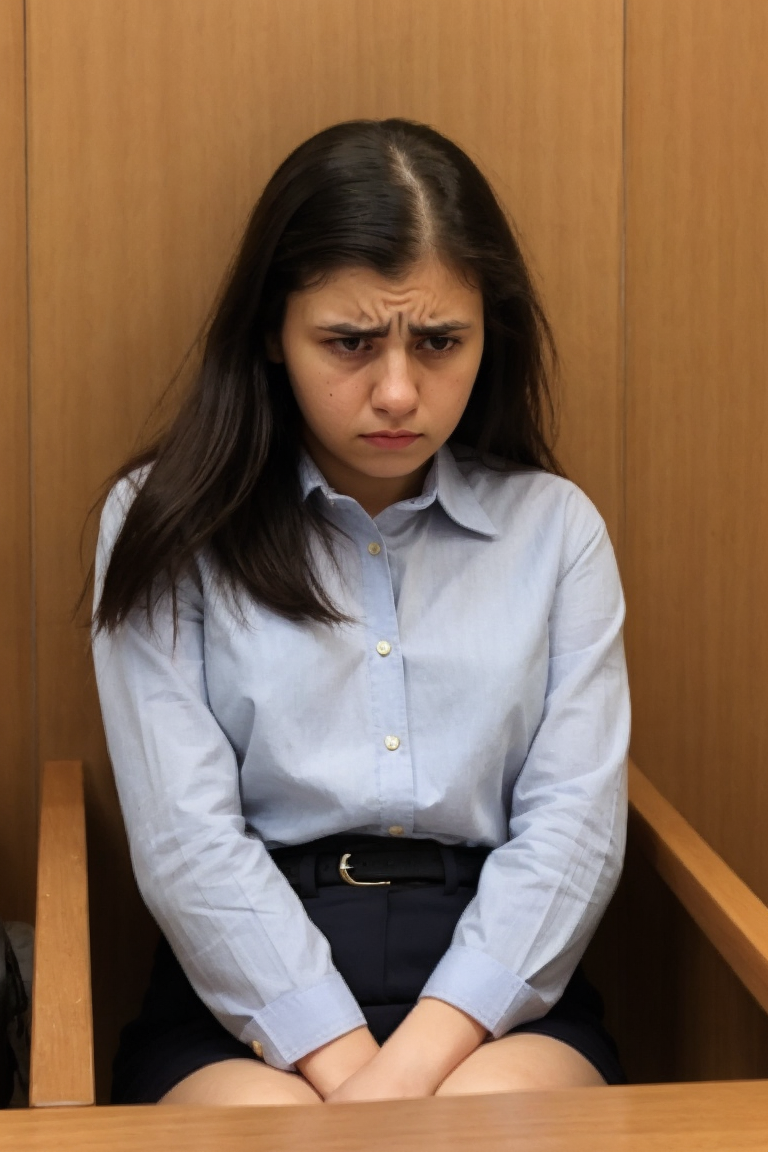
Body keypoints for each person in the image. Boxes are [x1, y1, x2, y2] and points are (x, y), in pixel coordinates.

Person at [91, 118, 630, 1107]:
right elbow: (185, 840)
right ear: (271, 332)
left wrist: (406, 1076)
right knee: (275, 1134)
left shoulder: (556, 531)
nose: (397, 391)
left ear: (487, 333)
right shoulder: (163, 523)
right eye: (348, 342)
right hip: (242, 995)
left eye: (439, 343)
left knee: (487, 1122)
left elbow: (573, 833)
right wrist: (345, 1072)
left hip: (492, 992)